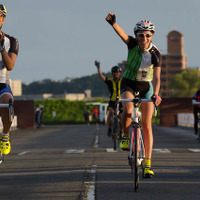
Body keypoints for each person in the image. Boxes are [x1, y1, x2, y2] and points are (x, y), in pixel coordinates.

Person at [105, 13, 162, 178]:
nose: (144, 38)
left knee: (147, 125)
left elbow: (157, 77)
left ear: (152, 36)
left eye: (147, 35)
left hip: (146, 86)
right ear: (136, 35)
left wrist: (156, 95)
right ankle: (124, 134)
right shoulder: (131, 44)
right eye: (140, 35)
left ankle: (148, 164)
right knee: (128, 111)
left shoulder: (156, 53)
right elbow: (122, 34)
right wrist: (113, 23)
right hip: (129, 83)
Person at [0, 4, 19, 155]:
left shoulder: (11, 41)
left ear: (3, 19)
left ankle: (5, 135)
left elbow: (10, 65)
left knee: (7, 102)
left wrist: (1, 48)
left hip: (2, 83)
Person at [95, 60, 123, 136]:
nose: (116, 73)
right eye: (114, 72)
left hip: (121, 101)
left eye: (117, 72)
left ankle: (121, 130)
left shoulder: (123, 80)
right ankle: (109, 128)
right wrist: (98, 67)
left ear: (119, 73)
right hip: (112, 101)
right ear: (112, 73)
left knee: (121, 116)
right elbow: (101, 76)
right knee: (111, 113)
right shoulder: (109, 81)